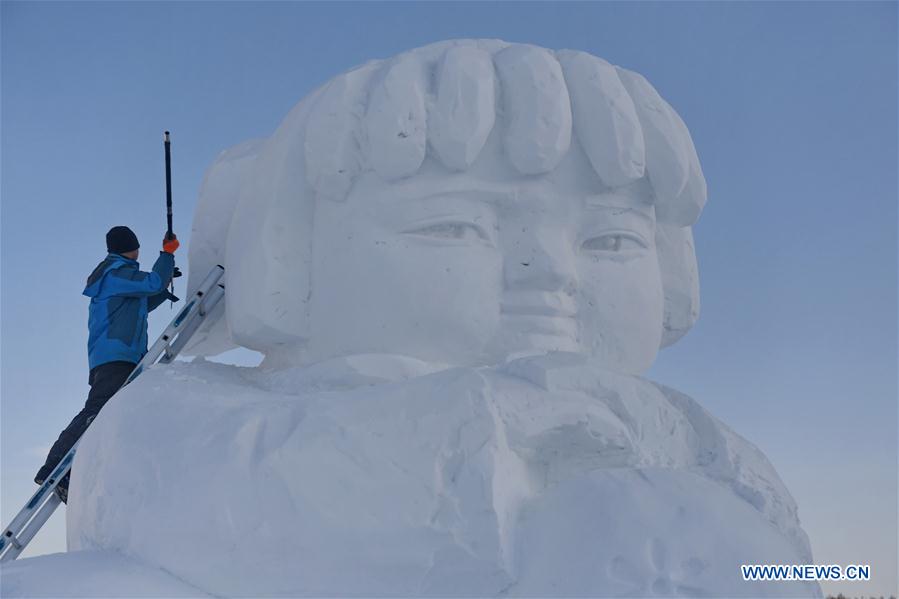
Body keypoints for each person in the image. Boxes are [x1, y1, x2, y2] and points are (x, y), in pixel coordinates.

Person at [34, 225, 180, 502]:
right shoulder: (116, 273)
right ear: (131, 247)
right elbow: (150, 284)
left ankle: (68, 470)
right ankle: (53, 467)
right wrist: (167, 256)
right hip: (117, 355)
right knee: (98, 407)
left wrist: (164, 284)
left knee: (107, 411)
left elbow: (141, 304)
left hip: (117, 355)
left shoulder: (117, 275)